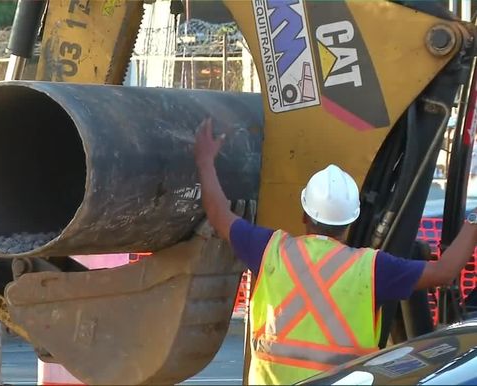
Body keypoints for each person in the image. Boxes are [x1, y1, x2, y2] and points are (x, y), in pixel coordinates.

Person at [193, 118, 477, 385]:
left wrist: (205, 160)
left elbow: (218, 212)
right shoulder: (372, 269)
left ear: (305, 214)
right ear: (351, 221)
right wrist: (474, 219)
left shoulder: (269, 250)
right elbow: (445, 271)